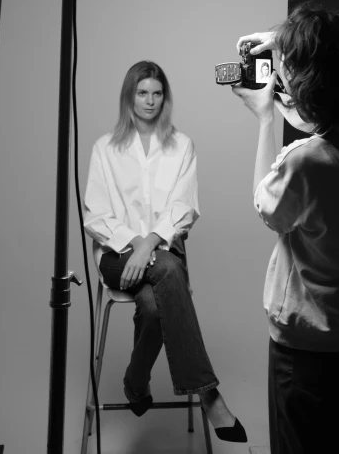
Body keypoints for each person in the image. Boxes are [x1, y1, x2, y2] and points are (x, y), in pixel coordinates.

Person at [233, 2, 339, 454]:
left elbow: (266, 207)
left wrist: (265, 116)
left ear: (304, 92)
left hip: (311, 353)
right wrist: (285, 43)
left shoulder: (306, 163)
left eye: (287, 70)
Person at [83, 60, 247, 443]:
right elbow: (96, 214)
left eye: (157, 93)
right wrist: (135, 246)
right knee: (170, 272)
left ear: (165, 98)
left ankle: (135, 381)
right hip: (116, 255)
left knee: (157, 305)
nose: (150, 101)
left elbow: (184, 208)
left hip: (163, 254)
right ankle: (209, 396)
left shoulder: (181, 146)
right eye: (142, 93)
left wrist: (151, 244)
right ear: (129, 96)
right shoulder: (105, 148)